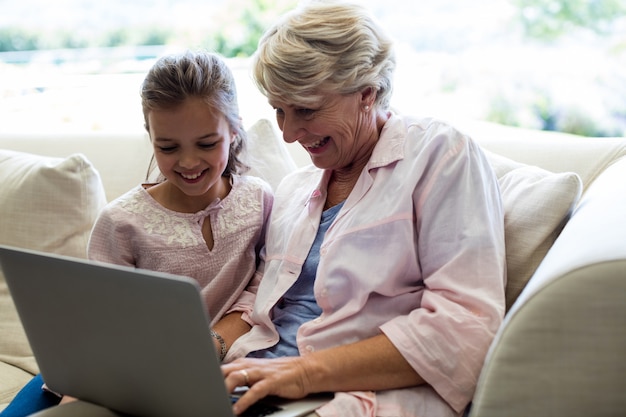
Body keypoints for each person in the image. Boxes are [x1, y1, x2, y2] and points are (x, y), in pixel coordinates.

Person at [210, 2, 507, 416]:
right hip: (253, 382)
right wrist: (209, 348)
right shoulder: (296, 190)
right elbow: (262, 298)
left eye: (307, 110)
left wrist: (302, 373)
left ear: (367, 93)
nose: (290, 133)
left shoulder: (440, 155)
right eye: (279, 110)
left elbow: (464, 327)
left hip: (345, 397)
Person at [0, 50, 273, 417]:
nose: (189, 162)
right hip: (119, 376)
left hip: (208, 371)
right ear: (150, 136)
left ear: (235, 129)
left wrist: (211, 343)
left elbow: (263, 290)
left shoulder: (259, 200)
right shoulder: (122, 222)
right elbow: (99, 327)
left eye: (207, 143)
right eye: (168, 147)